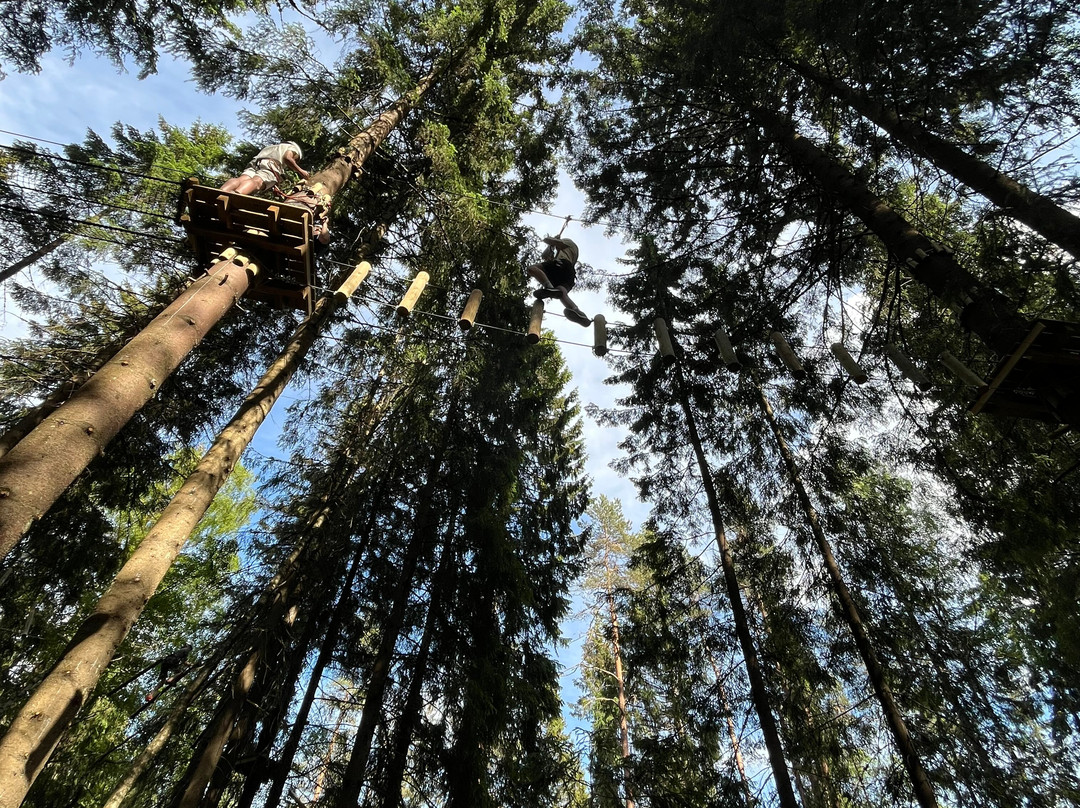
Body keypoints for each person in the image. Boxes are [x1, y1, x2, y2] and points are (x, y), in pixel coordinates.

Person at [526, 235, 592, 326]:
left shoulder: (569, 244)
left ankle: (549, 288)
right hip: (568, 275)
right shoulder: (565, 253)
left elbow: (548, 240)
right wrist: (551, 246)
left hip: (561, 265)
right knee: (561, 292)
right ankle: (577, 311)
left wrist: (554, 240)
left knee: (532, 268)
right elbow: (545, 255)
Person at [220, 142, 309, 196]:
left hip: (257, 163)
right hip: (271, 165)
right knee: (257, 182)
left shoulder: (273, 147)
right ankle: (235, 195)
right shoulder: (292, 148)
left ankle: (222, 192)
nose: (295, 160)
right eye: (296, 158)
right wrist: (300, 171)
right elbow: (287, 158)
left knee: (242, 179)